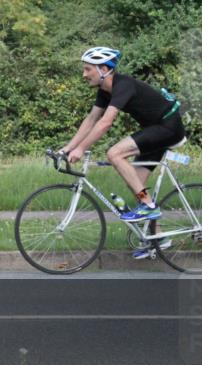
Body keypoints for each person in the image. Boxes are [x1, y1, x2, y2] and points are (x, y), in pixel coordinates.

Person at [60, 47, 185, 259]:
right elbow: (92, 119)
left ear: (103, 69)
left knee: (115, 154)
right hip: (155, 129)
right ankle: (159, 238)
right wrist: (69, 147)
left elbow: (105, 122)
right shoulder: (104, 91)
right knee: (136, 183)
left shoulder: (123, 85)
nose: (84, 74)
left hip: (168, 127)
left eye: (88, 69)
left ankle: (148, 205)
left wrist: (81, 149)